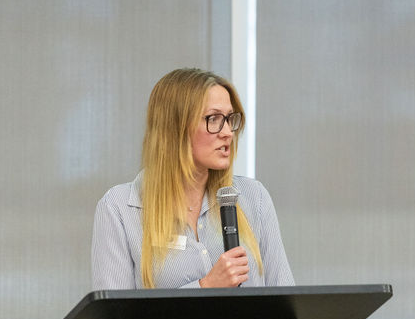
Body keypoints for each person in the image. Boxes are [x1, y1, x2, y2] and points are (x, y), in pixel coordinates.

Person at [91, 68, 294, 289]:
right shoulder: (119, 208)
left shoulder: (254, 197)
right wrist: (205, 287)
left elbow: (285, 298)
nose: (227, 132)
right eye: (213, 119)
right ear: (175, 128)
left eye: (229, 119)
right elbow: (117, 311)